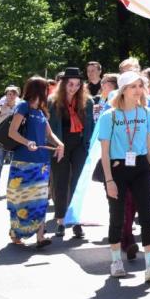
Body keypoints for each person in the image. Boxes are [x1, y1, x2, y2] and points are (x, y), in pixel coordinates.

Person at [96, 71, 150, 281]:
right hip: (117, 169)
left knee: (147, 215)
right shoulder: (110, 116)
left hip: (141, 166)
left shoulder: (145, 113)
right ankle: (116, 261)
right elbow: (105, 151)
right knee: (117, 215)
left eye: (140, 86)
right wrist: (109, 180)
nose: (138, 90)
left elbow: (148, 145)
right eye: (133, 86)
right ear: (123, 90)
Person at [6, 77, 64, 247]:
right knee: (21, 201)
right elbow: (12, 132)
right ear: (38, 89)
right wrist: (27, 142)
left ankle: (40, 236)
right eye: (46, 88)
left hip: (41, 163)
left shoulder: (41, 110)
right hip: (23, 163)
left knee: (40, 200)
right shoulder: (23, 107)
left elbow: (49, 134)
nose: (48, 91)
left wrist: (60, 144)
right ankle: (16, 233)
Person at [48, 67, 94, 239]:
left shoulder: (87, 101)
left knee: (78, 183)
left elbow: (90, 125)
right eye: (70, 84)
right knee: (60, 182)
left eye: (77, 84)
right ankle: (60, 220)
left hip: (79, 144)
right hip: (60, 144)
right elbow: (51, 128)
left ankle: (76, 221)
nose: (73, 88)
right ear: (64, 84)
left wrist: (87, 146)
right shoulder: (53, 101)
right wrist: (56, 146)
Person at [0, 85, 23, 195]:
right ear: (6, 95)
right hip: (1, 140)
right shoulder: (0, 107)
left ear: (17, 95)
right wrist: (0, 111)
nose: (11, 96)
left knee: (15, 165)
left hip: (14, 140)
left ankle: (13, 188)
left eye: (14, 94)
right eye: (9, 94)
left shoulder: (20, 108)